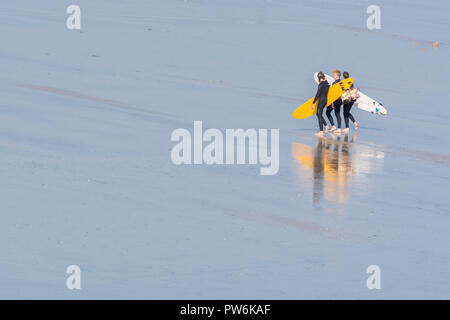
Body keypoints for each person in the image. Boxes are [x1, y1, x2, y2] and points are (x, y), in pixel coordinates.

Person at [325, 70, 343, 134]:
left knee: (329, 112)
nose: (333, 76)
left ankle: (336, 127)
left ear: (337, 75)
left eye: (334, 75)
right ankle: (337, 127)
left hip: (336, 100)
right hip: (339, 100)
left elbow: (334, 94)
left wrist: (332, 102)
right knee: (336, 113)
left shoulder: (335, 83)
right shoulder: (341, 82)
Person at [313, 72, 329, 137]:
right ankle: (326, 126)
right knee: (318, 114)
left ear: (319, 78)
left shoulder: (321, 84)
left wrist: (313, 103)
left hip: (321, 100)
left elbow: (318, 94)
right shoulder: (327, 84)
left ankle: (321, 131)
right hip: (325, 100)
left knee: (319, 114)